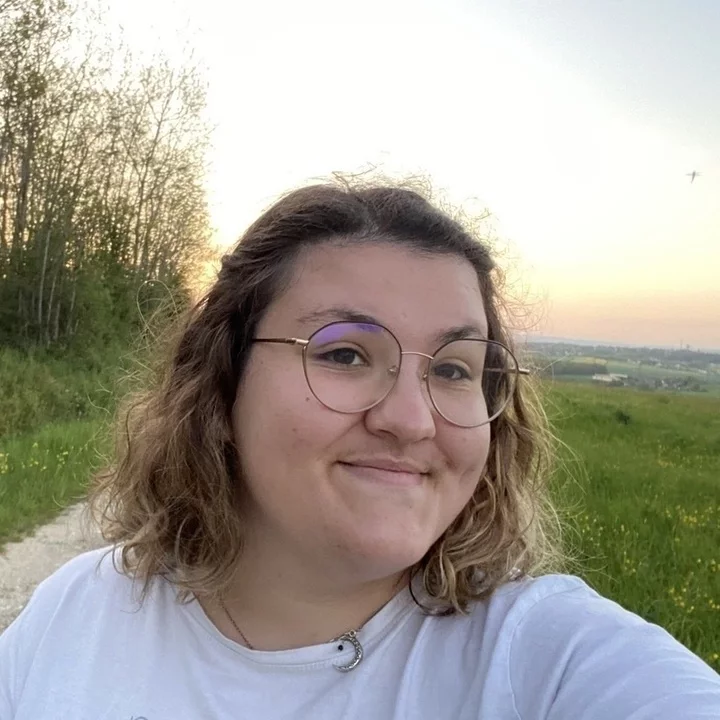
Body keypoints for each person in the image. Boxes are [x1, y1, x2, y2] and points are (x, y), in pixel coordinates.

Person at [1, 177, 718, 719]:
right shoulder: (78, 613)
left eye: (453, 369)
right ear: (221, 384)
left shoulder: (544, 660)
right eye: (344, 354)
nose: (411, 420)